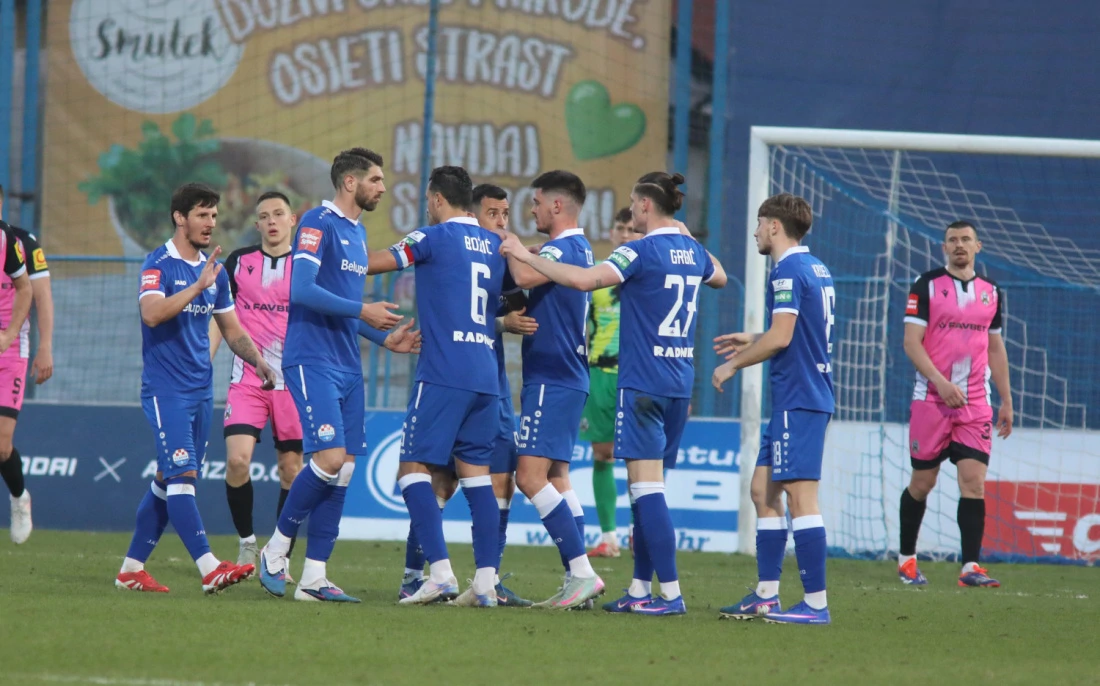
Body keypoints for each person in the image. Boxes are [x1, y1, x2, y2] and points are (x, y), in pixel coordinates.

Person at [500, 171, 727, 616]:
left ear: (644, 206)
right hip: (681, 382)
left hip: (642, 382)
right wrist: (685, 235)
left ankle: (670, 595)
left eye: (632, 201)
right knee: (644, 491)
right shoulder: (693, 251)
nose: (630, 209)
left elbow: (585, 281)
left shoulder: (636, 250)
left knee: (648, 491)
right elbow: (717, 276)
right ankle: (641, 589)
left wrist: (523, 255)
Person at [211, 191, 420, 573]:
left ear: (293, 220)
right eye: (263, 216)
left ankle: (280, 556)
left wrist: (384, 339)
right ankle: (247, 544)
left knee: (292, 469)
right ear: (256, 224)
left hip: (295, 376)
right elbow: (221, 315)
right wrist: (208, 360)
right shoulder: (239, 263)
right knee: (238, 460)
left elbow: (342, 314)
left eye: (278, 214)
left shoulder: (310, 265)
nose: (271, 221)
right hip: (249, 378)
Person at [258, 148, 407, 603]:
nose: (383, 187)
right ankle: (275, 549)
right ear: (350, 183)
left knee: (343, 471)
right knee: (327, 458)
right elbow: (302, 291)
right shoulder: (316, 223)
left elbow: (341, 304)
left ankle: (314, 578)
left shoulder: (357, 234)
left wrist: (385, 339)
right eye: (376, 180)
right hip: (312, 359)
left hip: (346, 363)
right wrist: (363, 307)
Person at [116, 183, 276, 594]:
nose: (211, 222)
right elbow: (151, 314)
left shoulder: (214, 271)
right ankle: (209, 568)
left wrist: (257, 362)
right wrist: (195, 287)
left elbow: (230, 327)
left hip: (201, 392)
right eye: (202, 215)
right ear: (179, 217)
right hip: (165, 390)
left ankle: (131, 569)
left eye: (214, 215)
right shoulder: (158, 264)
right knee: (182, 475)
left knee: (167, 480)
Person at [367, 166, 506, 607]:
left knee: (411, 471)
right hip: (487, 375)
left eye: (430, 200)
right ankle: (485, 582)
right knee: (477, 479)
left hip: (444, 372)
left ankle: (441, 573)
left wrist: (327, 257)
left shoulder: (430, 236)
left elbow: (376, 264)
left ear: (438, 200)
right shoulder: (495, 244)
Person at [397, 183, 535, 607]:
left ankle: (477, 580)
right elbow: (482, 317)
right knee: (442, 477)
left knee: (495, 479)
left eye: (506, 213)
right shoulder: (479, 248)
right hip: (476, 377)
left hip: (478, 382)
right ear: (473, 212)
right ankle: (415, 573)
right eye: (492, 212)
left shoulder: (499, 254)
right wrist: (500, 325)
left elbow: (518, 310)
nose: (500, 221)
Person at [712, 192, 835, 625]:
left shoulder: (785, 271)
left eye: (760, 223)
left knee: (802, 499)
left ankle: (816, 604)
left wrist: (732, 365)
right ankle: (766, 595)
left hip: (800, 398)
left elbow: (783, 337)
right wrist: (754, 337)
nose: (755, 232)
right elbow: (796, 332)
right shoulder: (814, 266)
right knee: (763, 492)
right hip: (797, 398)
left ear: (775, 227)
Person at [500, 170, 604, 609]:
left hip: (553, 376)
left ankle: (582, 572)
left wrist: (510, 244)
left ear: (557, 206)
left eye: (538, 202)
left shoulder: (560, 248)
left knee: (529, 477)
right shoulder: (578, 248)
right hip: (567, 376)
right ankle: (574, 577)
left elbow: (522, 278)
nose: (532, 210)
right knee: (558, 477)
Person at [898, 220, 1012, 588]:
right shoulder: (926, 286)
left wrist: (1007, 399)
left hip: (975, 403)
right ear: (943, 248)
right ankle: (907, 560)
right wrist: (941, 383)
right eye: (952, 240)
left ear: (978, 245)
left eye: (965, 239)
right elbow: (911, 343)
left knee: (973, 482)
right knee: (923, 482)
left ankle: (970, 568)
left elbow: (995, 347)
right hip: (931, 399)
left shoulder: (992, 292)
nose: (959, 245)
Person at [583, 206, 644, 558]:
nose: (624, 234)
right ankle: (609, 537)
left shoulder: (647, 276)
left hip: (636, 375)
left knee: (639, 459)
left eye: (631, 229)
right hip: (600, 374)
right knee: (602, 453)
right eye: (619, 228)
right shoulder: (598, 280)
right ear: (611, 233)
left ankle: (640, 531)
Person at [0, 184, 51, 545]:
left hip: (10, 345)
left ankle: (19, 498)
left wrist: (44, 346)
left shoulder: (21, 242)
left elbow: (38, 295)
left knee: (2, 446)